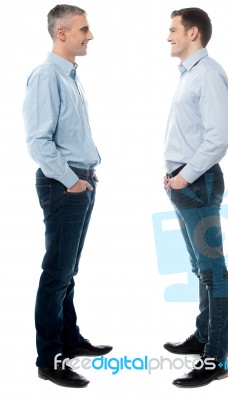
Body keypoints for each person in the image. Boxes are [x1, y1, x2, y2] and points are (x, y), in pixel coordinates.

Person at [23, 4, 112, 388]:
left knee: (67, 272)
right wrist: (71, 181)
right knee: (56, 273)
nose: (89, 35)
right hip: (65, 185)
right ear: (62, 33)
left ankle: (69, 340)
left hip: (80, 181)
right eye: (84, 29)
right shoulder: (47, 76)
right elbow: (38, 142)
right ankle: (49, 359)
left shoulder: (70, 77)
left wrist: (84, 180)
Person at [163, 8, 228, 388]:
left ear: (193, 33)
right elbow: (189, 133)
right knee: (201, 270)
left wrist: (185, 175)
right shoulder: (191, 75)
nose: (168, 36)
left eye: (173, 30)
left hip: (198, 183)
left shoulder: (208, 74)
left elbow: (218, 138)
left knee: (214, 273)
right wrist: (173, 175)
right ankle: (203, 336)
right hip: (183, 182)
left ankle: (215, 360)